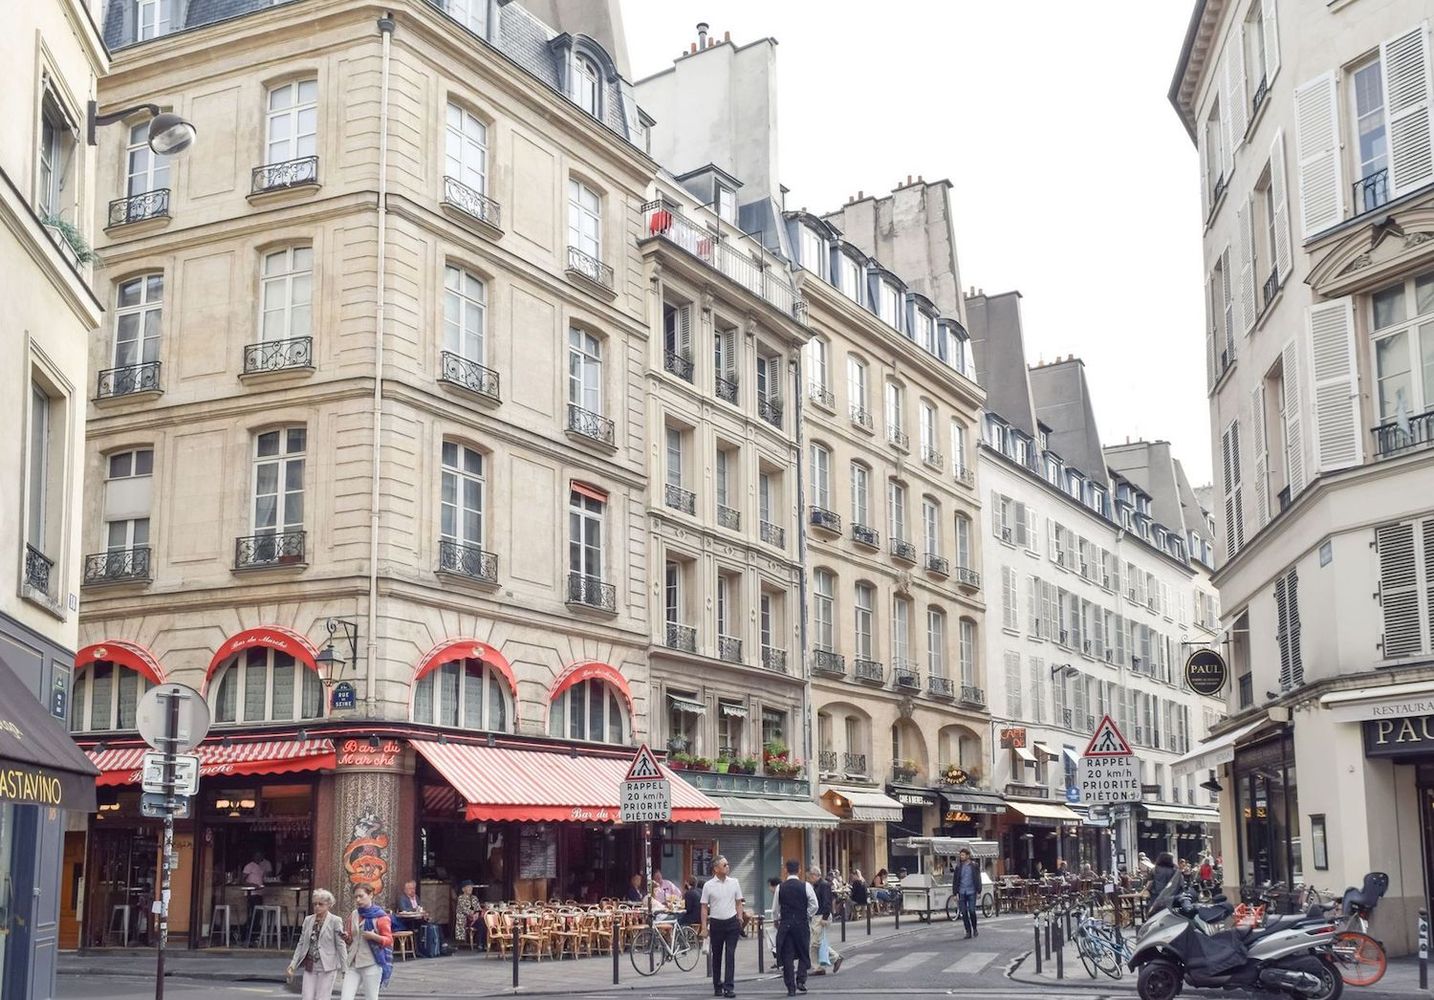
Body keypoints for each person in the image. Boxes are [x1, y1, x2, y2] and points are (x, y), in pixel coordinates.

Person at [286, 888, 347, 1000]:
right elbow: (301, 943)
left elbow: (340, 945)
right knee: (307, 996)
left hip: (327, 965)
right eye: (315, 904)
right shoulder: (308, 920)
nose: (317, 907)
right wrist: (293, 964)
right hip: (310, 964)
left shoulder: (335, 921)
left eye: (321, 904)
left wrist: (344, 968)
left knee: (322, 997)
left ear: (329, 905)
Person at [699, 856, 745, 999]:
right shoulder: (708, 885)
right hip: (716, 923)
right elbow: (704, 907)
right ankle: (717, 985)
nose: (728, 867)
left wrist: (740, 917)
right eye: (725, 865)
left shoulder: (734, 882)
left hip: (732, 922)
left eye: (728, 864)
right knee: (716, 955)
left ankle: (729, 987)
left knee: (730, 954)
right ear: (716, 869)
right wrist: (704, 927)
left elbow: (738, 902)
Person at [340, 885, 393, 1000]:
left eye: (361, 896)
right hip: (353, 963)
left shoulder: (381, 917)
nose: (358, 900)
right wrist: (346, 937)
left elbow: (389, 940)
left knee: (371, 998)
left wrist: (375, 937)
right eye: (356, 897)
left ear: (370, 895)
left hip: (371, 963)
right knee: (345, 997)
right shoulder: (354, 914)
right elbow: (351, 939)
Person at [774, 860, 816, 996]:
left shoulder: (780, 887)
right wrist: (806, 914)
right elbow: (814, 904)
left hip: (786, 924)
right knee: (804, 952)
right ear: (799, 870)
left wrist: (777, 919)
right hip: (801, 923)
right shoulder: (806, 886)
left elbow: (775, 907)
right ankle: (801, 980)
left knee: (787, 956)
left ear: (786, 870)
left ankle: (790, 988)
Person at [807, 867, 842, 974]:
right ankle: (818, 967)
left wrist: (825, 918)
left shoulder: (824, 885)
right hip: (817, 915)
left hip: (821, 915)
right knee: (816, 943)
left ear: (815, 875)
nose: (808, 879)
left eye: (809, 877)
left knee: (815, 943)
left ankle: (834, 959)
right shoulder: (818, 885)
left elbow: (827, 902)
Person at [952, 848, 981, 939]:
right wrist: (954, 893)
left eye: (963, 855)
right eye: (960, 855)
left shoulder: (974, 866)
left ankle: (975, 928)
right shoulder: (958, 867)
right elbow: (955, 880)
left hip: (971, 891)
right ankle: (968, 931)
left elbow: (978, 879)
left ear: (968, 856)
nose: (961, 857)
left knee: (972, 911)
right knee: (963, 912)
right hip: (962, 891)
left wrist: (979, 891)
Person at [454, 881, 482, 947]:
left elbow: (478, 908)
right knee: (481, 922)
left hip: (475, 918)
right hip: (466, 919)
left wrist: (477, 914)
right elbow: (464, 910)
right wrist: (472, 915)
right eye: (468, 887)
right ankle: (480, 943)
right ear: (463, 889)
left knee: (483, 922)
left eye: (471, 887)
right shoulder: (461, 898)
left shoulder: (474, 898)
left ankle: (482, 943)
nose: (470, 888)